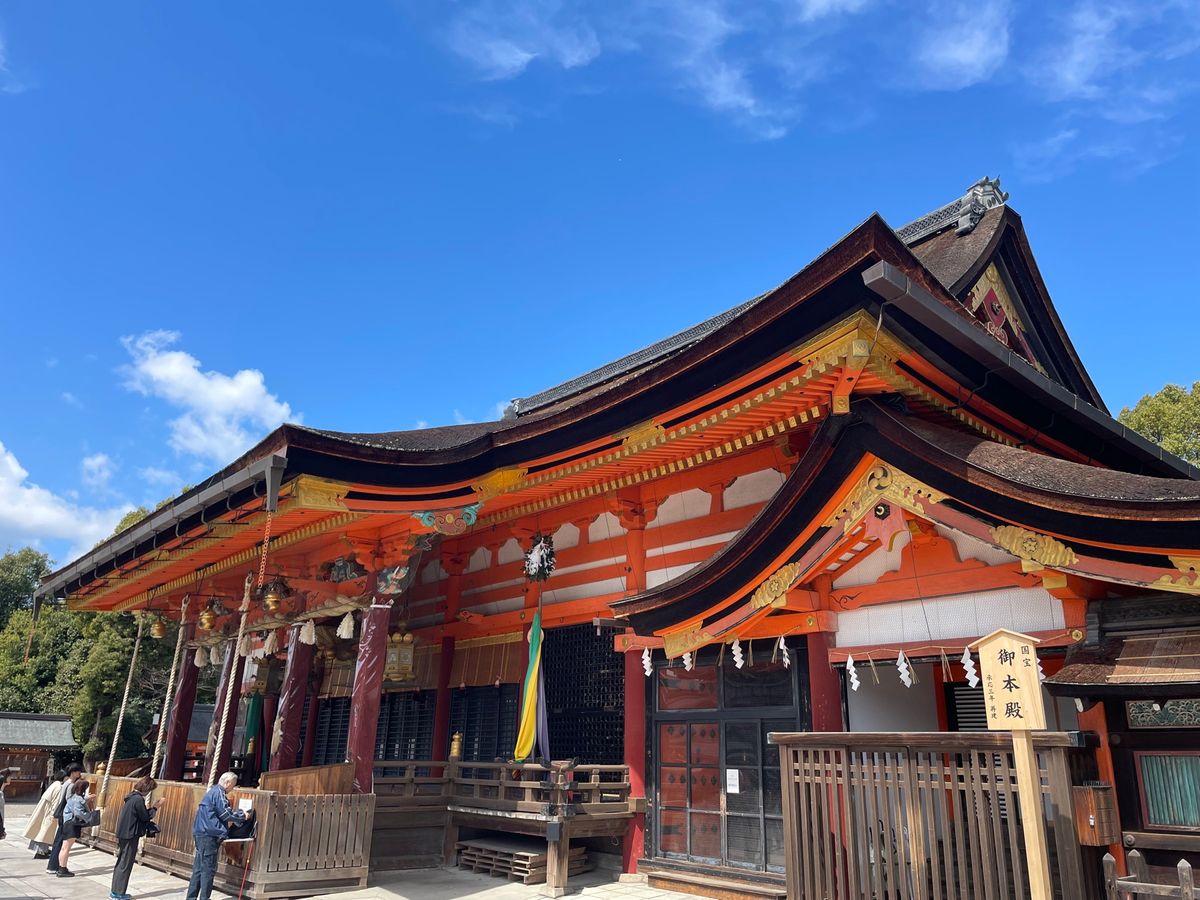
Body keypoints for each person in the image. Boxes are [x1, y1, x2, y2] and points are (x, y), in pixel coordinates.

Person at [186, 772, 252, 900]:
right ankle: (204, 898)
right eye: (233, 785)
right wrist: (243, 816)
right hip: (209, 834)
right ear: (227, 782)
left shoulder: (212, 792)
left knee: (199, 868)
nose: (233, 788)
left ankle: (191, 897)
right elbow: (225, 814)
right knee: (208, 869)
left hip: (201, 832)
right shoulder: (219, 793)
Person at [110, 776, 165, 900]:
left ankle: (115, 890)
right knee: (125, 863)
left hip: (123, 833)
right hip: (130, 835)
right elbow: (145, 817)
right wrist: (156, 807)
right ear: (147, 789)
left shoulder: (130, 797)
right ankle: (119, 893)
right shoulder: (138, 800)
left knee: (121, 862)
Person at [46, 763, 83, 874]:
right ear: (73, 772)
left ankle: (52, 866)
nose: (79, 773)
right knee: (61, 841)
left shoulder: (66, 783)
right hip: (66, 815)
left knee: (58, 840)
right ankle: (55, 866)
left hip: (62, 814)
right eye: (78, 771)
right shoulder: (71, 784)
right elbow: (70, 800)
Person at [57, 777, 94, 877]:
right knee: (66, 848)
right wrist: (89, 817)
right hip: (72, 824)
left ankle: (61, 867)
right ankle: (62, 869)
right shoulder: (78, 799)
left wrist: (87, 798)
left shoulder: (73, 797)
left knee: (64, 847)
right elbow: (78, 812)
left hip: (67, 823)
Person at [25, 769, 66, 858]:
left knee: (42, 830)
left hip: (45, 808)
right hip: (49, 811)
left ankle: (43, 850)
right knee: (45, 831)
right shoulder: (59, 787)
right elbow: (56, 802)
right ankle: (41, 852)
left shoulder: (54, 784)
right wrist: (54, 814)